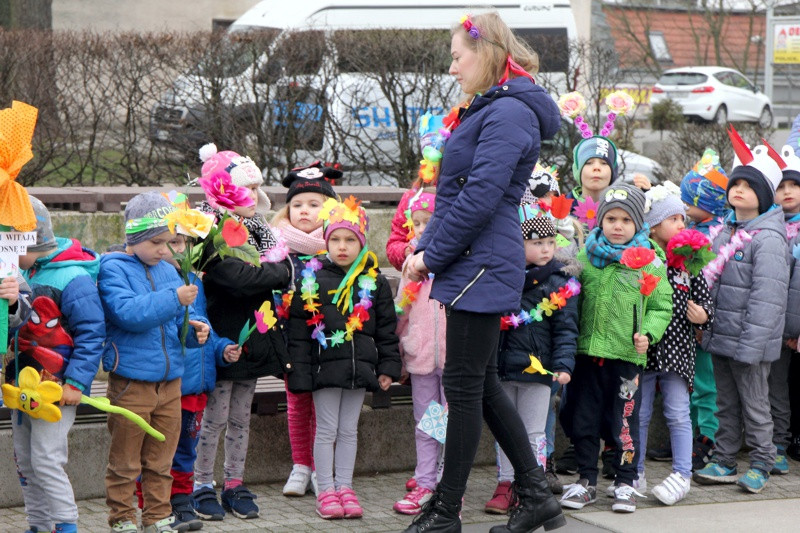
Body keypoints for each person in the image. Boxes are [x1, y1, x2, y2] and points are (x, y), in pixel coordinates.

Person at [403, 11, 564, 533]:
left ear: (486, 53)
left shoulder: (508, 112)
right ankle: (535, 495)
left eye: (457, 57)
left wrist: (431, 257)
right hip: (476, 260)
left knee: (464, 385)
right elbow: (453, 196)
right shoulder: (493, 108)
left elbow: (479, 198)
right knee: (482, 383)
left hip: (482, 262)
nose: (452, 68)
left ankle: (446, 510)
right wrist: (424, 246)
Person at [98, 191, 210, 533]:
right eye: (157, 242)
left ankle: (158, 516)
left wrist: (193, 331)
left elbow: (175, 324)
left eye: (171, 241)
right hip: (132, 382)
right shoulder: (112, 268)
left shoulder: (168, 271)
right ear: (134, 237)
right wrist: (174, 298)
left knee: (162, 457)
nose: (165, 250)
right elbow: (129, 313)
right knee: (125, 459)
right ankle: (122, 518)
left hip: (170, 381)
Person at [192, 144, 293, 521]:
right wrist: (276, 274)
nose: (255, 195)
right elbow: (235, 279)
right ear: (225, 189)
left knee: (240, 417)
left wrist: (274, 273)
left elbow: (283, 269)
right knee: (214, 418)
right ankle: (201, 483)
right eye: (247, 188)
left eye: (256, 187)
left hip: (252, 338)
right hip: (220, 341)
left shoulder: (259, 228)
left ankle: (234, 482)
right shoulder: (208, 229)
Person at [559, 183, 673, 514]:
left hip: (626, 359)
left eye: (626, 220)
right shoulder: (585, 258)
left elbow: (661, 306)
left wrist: (648, 334)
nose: (618, 226)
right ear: (601, 221)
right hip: (587, 356)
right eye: (611, 219)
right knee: (583, 419)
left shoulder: (650, 262)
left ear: (638, 223)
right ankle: (586, 480)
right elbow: (570, 300)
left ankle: (625, 481)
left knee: (624, 423)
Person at [287, 196, 401, 520]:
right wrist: (299, 374)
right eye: (335, 239)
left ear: (362, 241)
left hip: (359, 369)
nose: (341, 246)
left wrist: (388, 367)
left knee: (349, 429)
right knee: (326, 429)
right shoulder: (311, 280)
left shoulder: (374, 281)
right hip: (324, 370)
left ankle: (345, 486)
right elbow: (298, 333)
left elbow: (386, 330)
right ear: (326, 240)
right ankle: (325, 489)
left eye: (350, 239)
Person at [693, 135, 789, 494]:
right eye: (736, 184)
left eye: (749, 186)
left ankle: (763, 462)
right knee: (725, 403)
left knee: (755, 405)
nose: (739, 190)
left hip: (750, 343)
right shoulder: (725, 231)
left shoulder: (768, 239)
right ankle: (725, 459)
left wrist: (751, 345)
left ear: (763, 195)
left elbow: (768, 298)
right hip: (721, 336)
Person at [5, 196, 97, 533]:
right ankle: (38, 525)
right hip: (21, 386)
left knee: (46, 460)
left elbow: (91, 333)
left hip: (57, 388)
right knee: (25, 462)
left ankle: (66, 524)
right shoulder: (16, 271)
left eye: (9, 247)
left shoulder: (73, 277)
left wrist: (76, 383)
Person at [484, 206, 579, 515]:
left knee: (534, 431)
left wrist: (563, 365)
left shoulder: (558, 282)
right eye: (537, 243)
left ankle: (532, 486)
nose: (546, 249)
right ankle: (506, 483)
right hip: (502, 368)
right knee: (504, 429)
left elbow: (566, 329)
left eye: (550, 243)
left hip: (539, 369)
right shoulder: (504, 277)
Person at [636, 183, 714, 506]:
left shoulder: (690, 262)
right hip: (644, 349)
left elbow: (706, 302)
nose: (682, 224)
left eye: (683, 218)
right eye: (673, 219)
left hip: (678, 351)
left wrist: (702, 316)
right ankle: (634, 472)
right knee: (638, 413)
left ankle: (682, 474)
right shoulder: (641, 257)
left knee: (678, 413)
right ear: (654, 226)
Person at [159, 231, 242, 531]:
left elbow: (205, 327)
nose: (177, 248)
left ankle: (182, 500)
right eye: (170, 241)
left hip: (197, 388)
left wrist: (222, 349)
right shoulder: (156, 281)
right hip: (172, 386)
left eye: (182, 242)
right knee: (160, 452)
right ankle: (158, 505)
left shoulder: (195, 280)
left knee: (186, 451)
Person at [271, 161, 340, 497]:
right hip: (291, 342)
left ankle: (321, 467)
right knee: (297, 404)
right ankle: (301, 465)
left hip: (329, 342)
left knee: (324, 408)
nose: (304, 210)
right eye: (297, 204)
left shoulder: (339, 247)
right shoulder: (278, 251)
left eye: (314, 204)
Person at [393, 191, 448, 515]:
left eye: (430, 222)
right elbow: (402, 310)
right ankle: (426, 481)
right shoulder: (411, 264)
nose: (423, 228)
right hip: (422, 357)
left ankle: (448, 484)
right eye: (417, 223)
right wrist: (401, 349)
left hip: (455, 359)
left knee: (451, 423)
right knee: (427, 423)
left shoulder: (456, 260)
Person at [678, 149, 729, 470]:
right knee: (689, 381)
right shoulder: (689, 229)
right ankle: (688, 435)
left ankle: (708, 436)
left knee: (707, 383)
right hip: (685, 320)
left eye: (690, 199)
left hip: (706, 322)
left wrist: (704, 320)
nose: (684, 205)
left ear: (708, 201)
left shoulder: (719, 236)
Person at [774, 145, 800, 466]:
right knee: (773, 386)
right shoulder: (768, 227)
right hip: (771, 324)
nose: (788, 191)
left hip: (794, 326)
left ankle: (786, 438)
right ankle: (775, 444)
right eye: (781, 186)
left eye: (794, 185)